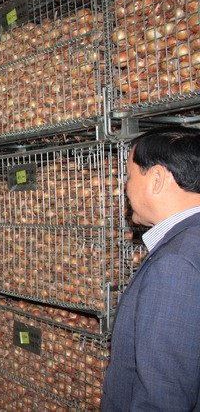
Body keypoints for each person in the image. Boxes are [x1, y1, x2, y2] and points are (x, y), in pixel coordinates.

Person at [101, 126, 200, 411]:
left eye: (130, 177)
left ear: (156, 178)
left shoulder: (176, 265)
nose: (126, 188)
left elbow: (163, 395)